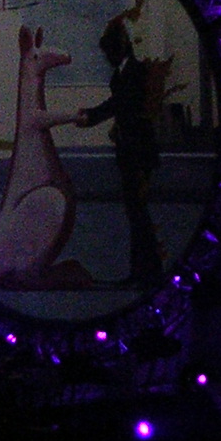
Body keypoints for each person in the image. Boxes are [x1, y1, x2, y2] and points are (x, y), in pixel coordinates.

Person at [72, 14, 164, 288]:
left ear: (116, 50)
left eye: (108, 52)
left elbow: (119, 104)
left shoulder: (130, 72)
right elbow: (122, 105)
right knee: (137, 213)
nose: (106, 58)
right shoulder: (127, 71)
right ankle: (145, 272)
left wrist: (91, 116)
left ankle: (145, 273)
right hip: (133, 150)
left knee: (137, 214)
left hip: (137, 151)